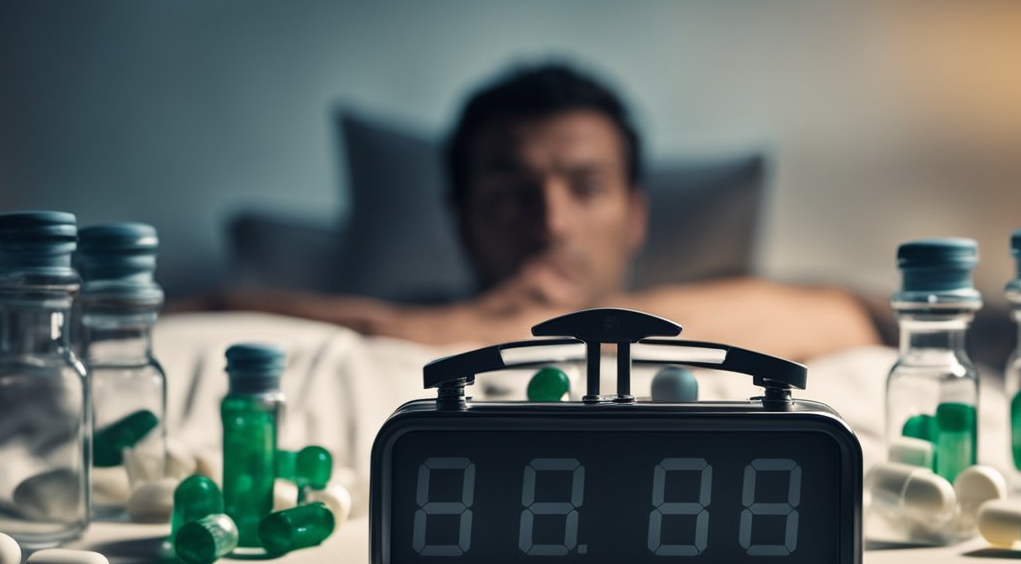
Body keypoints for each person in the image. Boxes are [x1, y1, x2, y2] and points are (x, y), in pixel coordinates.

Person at [196, 63, 880, 361]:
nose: (550, 224)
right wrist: (449, 326)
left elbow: (856, 316)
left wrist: (553, 327)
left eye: (585, 188)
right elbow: (188, 317)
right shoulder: (393, 320)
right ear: (461, 218)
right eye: (511, 194)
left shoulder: (720, 312)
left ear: (636, 217)